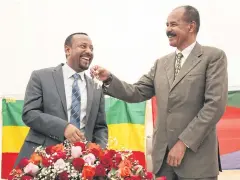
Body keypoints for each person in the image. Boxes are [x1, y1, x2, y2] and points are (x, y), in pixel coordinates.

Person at [91, 5, 228, 180]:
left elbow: (214, 106)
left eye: (173, 25)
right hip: (163, 162)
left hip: (197, 162)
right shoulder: (161, 64)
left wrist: (183, 143)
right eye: (167, 25)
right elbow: (136, 92)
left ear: (191, 26)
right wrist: (109, 79)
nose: (168, 30)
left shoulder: (213, 57)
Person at [14, 32, 108, 167]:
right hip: (41, 160)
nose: (89, 51)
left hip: (82, 165)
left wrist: (98, 153)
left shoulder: (96, 87)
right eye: (83, 46)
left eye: (91, 48)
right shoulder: (41, 77)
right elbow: (30, 114)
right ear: (67, 50)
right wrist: (63, 127)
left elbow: (100, 127)